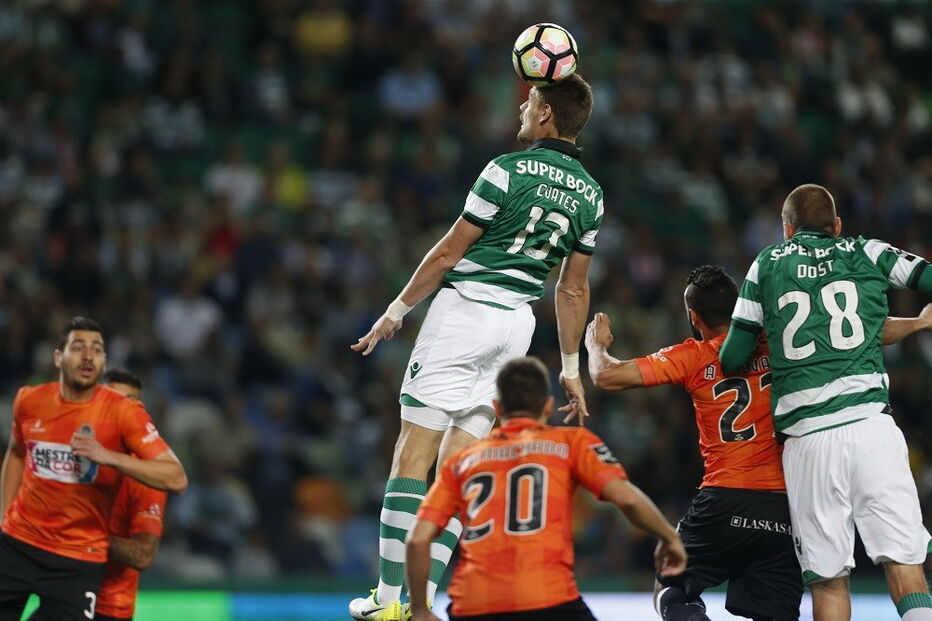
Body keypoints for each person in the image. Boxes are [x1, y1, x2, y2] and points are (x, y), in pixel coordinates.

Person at [350, 74, 604, 620]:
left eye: (530, 100)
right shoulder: (592, 194)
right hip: (517, 330)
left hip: (464, 313)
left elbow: (446, 254)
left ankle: (390, 601)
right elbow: (572, 287)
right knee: (458, 472)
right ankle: (422, 604)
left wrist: (395, 312)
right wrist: (569, 367)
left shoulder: (505, 169)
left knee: (411, 456)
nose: (521, 104)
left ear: (545, 117)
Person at [585, 265, 932, 621]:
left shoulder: (692, 356)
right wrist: (918, 323)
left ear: (693, 316)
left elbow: (606, 376)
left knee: (672, 590)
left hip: (724, 498)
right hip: (788, 507)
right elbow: (865, 332)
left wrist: (596, 346)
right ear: (741, 308)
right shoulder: (784, 341)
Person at [719, 184, 932, 621]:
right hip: (872, 428)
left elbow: (732, 359)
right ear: (837, 226)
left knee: (829, 582)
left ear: (787, 229)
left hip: (809, 441)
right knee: (906, 567)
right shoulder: (868, 251)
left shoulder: (767, 264)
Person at [405, 357, 686, 621]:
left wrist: (419, 609)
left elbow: (417, 540)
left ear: (498, 408)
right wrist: (668, 536)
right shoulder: (571, 443)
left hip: (473, 604)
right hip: (548, 599)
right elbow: (626, 499)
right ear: (548, 406)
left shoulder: (461, 461)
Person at [0, 317, 187, 621]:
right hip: (18, 547)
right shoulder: (29, 400)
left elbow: (177, 478)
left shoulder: (124, 412)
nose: (88, 355)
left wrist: (108, 456)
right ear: (58, 358)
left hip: (76, 562)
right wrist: (5, 517)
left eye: (97, 349)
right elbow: (17, 452)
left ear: (103, 362)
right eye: (78, 347)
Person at [95, 369, 169, 621]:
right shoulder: (76, 452)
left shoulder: (147, 473)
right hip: (64, 595)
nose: (123, 410)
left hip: (106, 609)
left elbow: (143, 554)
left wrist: (84, 536)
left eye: (130, 403)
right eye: (113, 401)